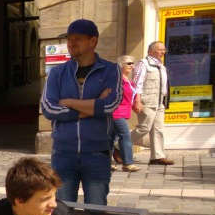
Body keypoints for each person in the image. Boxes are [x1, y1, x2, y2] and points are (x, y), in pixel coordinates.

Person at [40, 19, 121, 205]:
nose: (71, 43)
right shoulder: (57, 73)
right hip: (63, 153)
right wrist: (94, 106)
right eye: (69, 39)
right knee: (62, 211)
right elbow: (48, 108)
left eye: (78, 38)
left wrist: (68, 102)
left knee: (97, 209)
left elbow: (110, 105)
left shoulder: (110, 70)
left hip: (97, 152)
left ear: (93, 41)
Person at [130, 41, 173, 166]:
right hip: (147, 102)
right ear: (150, 51)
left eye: (164, 50)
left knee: (158, 129)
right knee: (144, 128)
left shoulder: (161, 66)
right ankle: (118, 146)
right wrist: (137, 101)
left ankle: (157, 156)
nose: (163, 52)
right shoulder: (143, 64)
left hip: (159, 103)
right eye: (160, 50)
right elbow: (137, 84)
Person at [112, 56, 141, 173]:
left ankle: (104, 163)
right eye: (129, 63)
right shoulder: (116, 79)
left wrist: (136, 102)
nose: (132, 66)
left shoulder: (128, 81)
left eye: (133, 63)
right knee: (125, 135)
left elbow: (134, 93)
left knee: (110, 138)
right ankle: (127, 163)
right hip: (115, 112)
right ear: (121, 65)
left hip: (123, 112)